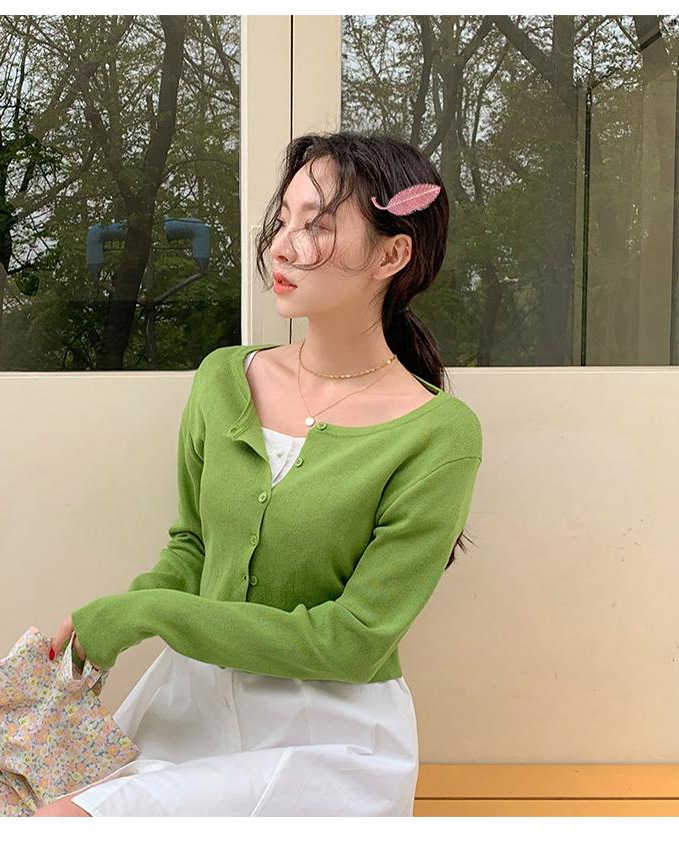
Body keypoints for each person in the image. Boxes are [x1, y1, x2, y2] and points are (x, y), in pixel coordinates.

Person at [34, 130, 483, 817]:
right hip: (187, 713)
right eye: (284, 219)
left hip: (326, 741)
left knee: (66, 823)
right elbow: (194, 549)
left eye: (317, 226)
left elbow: (356, 642)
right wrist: (107, 626)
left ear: (392, 255)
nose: (281, 247)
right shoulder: (224, 379)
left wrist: (145, 614)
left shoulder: (438, 434)